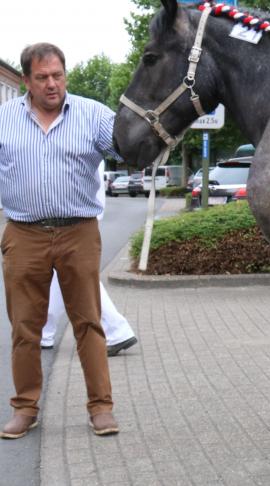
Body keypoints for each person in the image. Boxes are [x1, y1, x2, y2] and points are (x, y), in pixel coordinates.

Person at [0, 43, 119, 439]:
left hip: (78, 233)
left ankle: (101, 408)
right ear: (25, 81)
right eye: (42, 77)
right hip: (24, 234)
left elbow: (128, 147)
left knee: (89, 322)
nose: (52, 84)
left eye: (58, 75)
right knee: (24, 327)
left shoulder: (94, 115)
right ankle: (25, 408)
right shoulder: (3, 119)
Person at [41, 161, 138, 357]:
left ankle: (117, 330)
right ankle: (44, 331)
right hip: (75, 213)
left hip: (72, 216)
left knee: (81, 276)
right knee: (62, 274)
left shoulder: (78, 133)